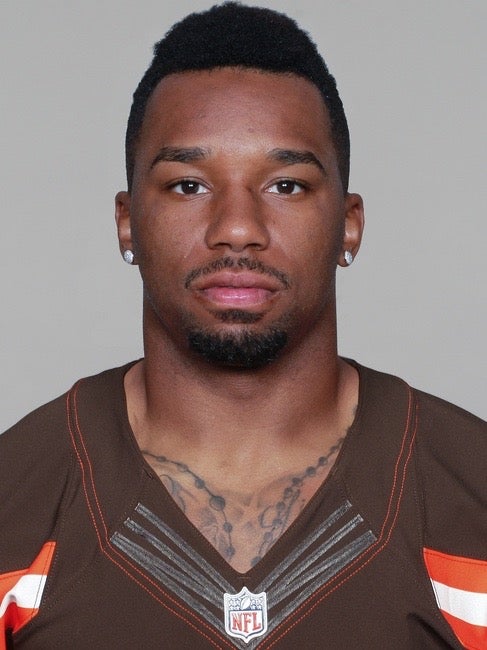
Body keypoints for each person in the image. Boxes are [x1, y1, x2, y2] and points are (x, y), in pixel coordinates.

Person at [0, 3, 485, 648]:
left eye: (286, 185)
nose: (237, 227)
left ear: (349, 222)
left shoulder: (469, 493)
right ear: (126, 222)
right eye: (188, 185)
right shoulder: (19, 500)